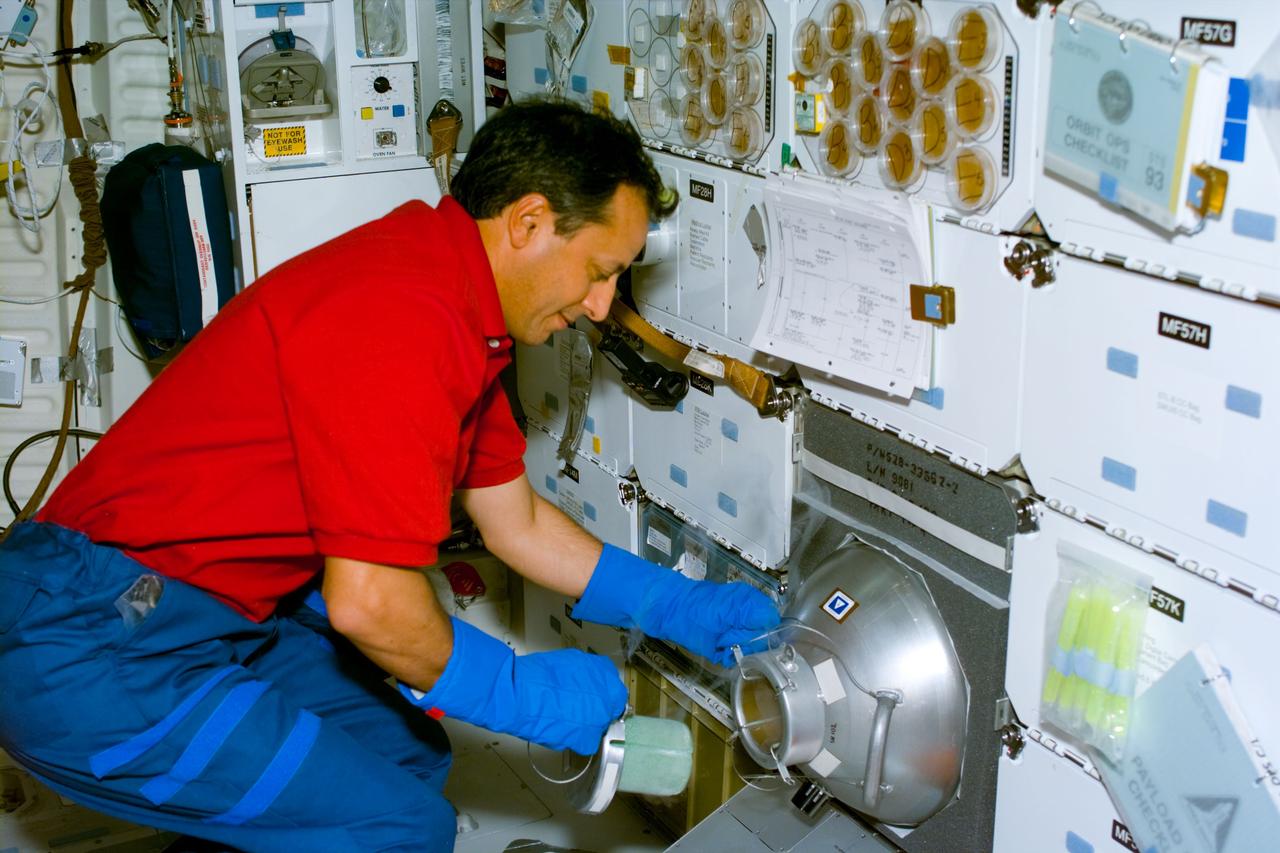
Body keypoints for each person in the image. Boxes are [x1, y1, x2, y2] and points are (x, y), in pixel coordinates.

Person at [0, 100, 779, 851]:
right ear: (530, 222)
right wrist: (514, 692)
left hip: (201, 614)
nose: (604, 306)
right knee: (398, 829)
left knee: (405, 757)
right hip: (91, 639)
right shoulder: (404, 314)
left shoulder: (460, 311)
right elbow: (369, 601)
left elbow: (516, 523)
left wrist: (676, 603)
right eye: (600, 271)